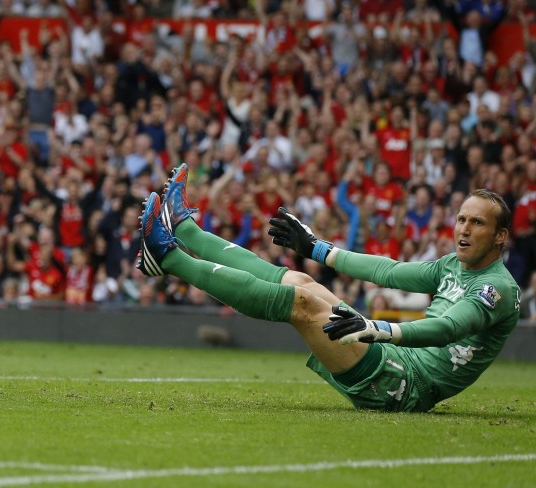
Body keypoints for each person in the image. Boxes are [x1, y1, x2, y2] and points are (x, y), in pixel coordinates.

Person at [137, 163, 521, 412]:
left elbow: (448, 329)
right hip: (390, 355)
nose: (464, 230)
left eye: (478, 223)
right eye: (461, 219)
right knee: (301, 280)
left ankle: (168, 258)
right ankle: (184, 228)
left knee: (302, 303)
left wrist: (380, 328)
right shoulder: (452, 265)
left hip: (406, 386)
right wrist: (318, 249)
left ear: (501, 236)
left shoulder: (497, 289)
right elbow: (388, 271)